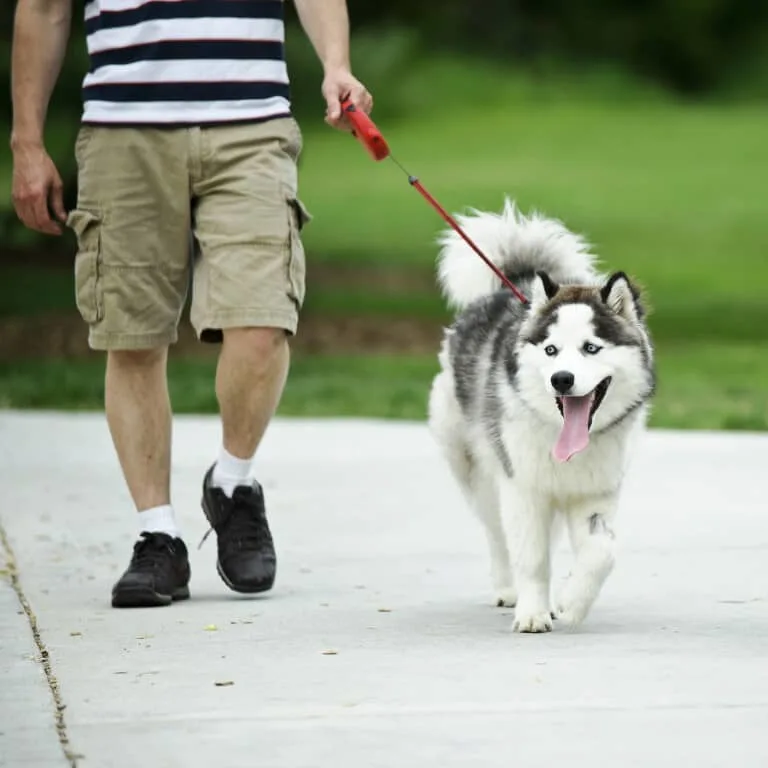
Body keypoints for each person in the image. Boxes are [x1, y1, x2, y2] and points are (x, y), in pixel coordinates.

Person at [10, 0, 373, 608]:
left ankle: (231, 483)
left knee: (264, 320)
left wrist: (337, 63)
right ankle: (158, 537)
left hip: (252, 124)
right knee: (132, 337)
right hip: (123, 132)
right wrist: (26, 142)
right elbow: (44, 9)